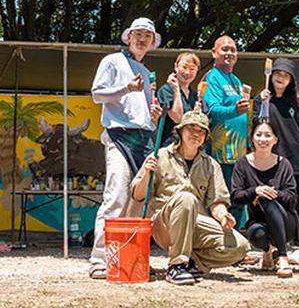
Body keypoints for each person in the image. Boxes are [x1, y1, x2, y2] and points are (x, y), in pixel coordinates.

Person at [130, 110, 249, 285]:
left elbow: (217, 202)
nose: (196, 134)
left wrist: (224, 217)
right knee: (186, 198)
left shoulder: (211, 164)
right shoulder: (160, 156)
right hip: (164, 224)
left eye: (201, 131)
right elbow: (137, 195)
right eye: (191, 128)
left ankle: (193, 263)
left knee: (240, 246)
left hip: (197, 222)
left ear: (206, 137)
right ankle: (176, 266)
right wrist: (147, 173)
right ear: (180, 131)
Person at [87, 17, 163, 279]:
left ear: (152, 43)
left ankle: (130, 257)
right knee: (116, 196)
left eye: (147, 36)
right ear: (128, 37)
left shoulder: (145, 71)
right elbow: (97, 94)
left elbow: (141, 110)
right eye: (138, 34)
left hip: (144, 139)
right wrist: (125, 87)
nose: (142, 39)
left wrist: (153, 114)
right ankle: (99, 260)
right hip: (118, 135)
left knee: (139, 202)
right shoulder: (112, 61)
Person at [255, 58, 299, 251]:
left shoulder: (297, 102)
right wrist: (263, 104)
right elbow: (256, 124)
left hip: (296, 158)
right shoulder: (261, 99)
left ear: (291, 80)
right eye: (278, 74)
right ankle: (278, 242)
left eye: (285, 75)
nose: (281, 78)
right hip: (273, 159)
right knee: (276, 200)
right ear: (271, 75)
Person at [230, 119, 299, 278]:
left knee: (266, 198)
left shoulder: (284, 164)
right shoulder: (242, 164)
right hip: (258, 223)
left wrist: (271, 194)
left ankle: (282, 256)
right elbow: (235, 196)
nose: (263, 139)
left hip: (286, 221)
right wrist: (255, 191)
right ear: (252, 138)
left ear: (275, 139)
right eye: (259, 134)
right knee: (256, 233)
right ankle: (267, 252)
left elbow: (292, 198)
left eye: (268, 135)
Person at [202, 35, 249, 225]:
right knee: (222, 199)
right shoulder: (211, 78)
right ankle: (222, 243)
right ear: (214, 53)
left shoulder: (237, 80)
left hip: (239, 152)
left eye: (233, 49)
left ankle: (236, 241)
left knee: (237, 198)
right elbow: (211, 110)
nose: (229, 53)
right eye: (224, 49)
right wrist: (234, 110)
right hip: (221, 152)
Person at [155, 52, 201, 147]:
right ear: (176, 67)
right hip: (169, 147)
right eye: (184, 67)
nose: (187, 72)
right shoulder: (166, 90)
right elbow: (177, 118)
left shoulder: (195, 96)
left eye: (192, 69)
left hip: (189, 148)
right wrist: (176, 90)